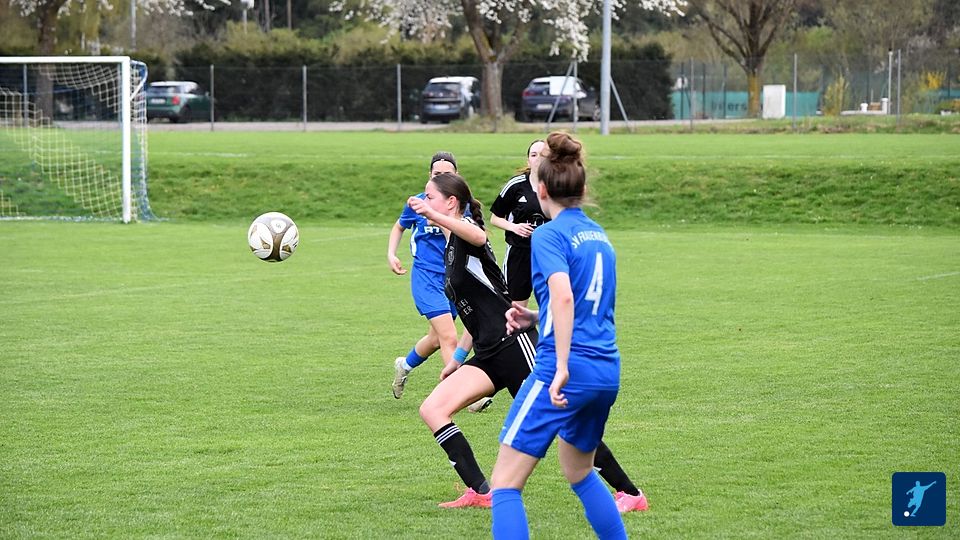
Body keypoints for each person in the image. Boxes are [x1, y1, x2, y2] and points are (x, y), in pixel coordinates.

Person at [407, 170, 644, 512]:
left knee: (565, 424)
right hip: (488, 352)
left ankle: (630, 493)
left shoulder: (468, 235)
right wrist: (458, 357)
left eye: (430, 197)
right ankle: (481, 491)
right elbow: (478, 307)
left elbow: (478, 235)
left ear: (451, 203)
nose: (424, 201)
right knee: (433, 409)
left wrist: (432, 214)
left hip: (515, 345)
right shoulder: (449, 248)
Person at [490, 132, 630, 538]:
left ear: (541, 190)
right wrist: (537, 317)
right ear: (582, 190)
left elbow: (565, 296)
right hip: (605, 371)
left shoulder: (548, 234)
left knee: (504, 483)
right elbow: (588, 303)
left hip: (564, 369)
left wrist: (563, 364)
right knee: (579, 471)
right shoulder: (599, 236)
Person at [386, 151, 493, 413]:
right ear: (429, 176)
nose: (442, 178)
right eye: (437, 174)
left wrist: (440, 216)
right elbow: (399, 226)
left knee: (435, 339)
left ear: (457, 176)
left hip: (452, 280)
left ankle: (404, 365)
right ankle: (466, 395)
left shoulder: (461, 207)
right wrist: (391, 253)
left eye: (448, 174)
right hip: (426, 278)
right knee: (448, 336)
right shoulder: (419, 202)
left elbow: (464, 241)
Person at [489, 139, 548, 308]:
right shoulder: (516, 185)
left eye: (543, 155)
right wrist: (514, 227)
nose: (538, 159)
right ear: (528, 160)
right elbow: (494, 218)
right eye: (534, 155)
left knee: (554, 305)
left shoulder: (558, 186)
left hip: (548, 252)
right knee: (515, 308)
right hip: (519, 254)